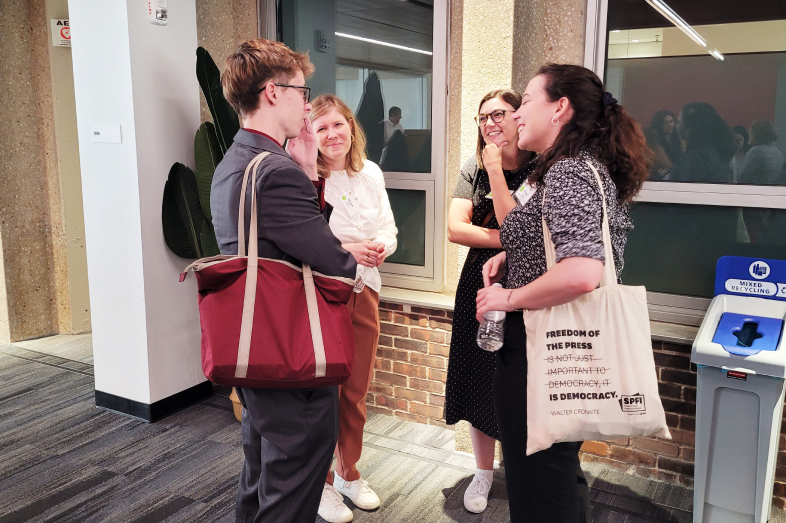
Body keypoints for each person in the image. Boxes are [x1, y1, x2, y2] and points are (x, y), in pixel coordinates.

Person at [476, 64, 649, 522]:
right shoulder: (558, 169)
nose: (516, 116)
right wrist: (512, 255)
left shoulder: (569, 171)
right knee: (553, 467)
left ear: (560, 109)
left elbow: (582, 271)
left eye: (527, 102)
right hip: (546, 338)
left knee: (540, 478)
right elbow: (550, 240)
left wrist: (506, 298)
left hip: (542, 343)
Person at [211, 39, 357, 523]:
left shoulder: (236, 160)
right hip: (292, 356)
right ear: (273, 92)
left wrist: (307, 170)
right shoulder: (275, 172)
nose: (306, 103)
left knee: (261, 474)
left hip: (257, 347)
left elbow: (278, 242)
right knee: (292, 486)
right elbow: (334, 262)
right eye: (301, 90)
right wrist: (309, 176)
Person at [309, 94, 398, 523]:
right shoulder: (308, 178)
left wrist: (381, 248)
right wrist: (351, 249)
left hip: (368, 289)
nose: (331, 135)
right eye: (321, 127)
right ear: (310, 134)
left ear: (351, 127)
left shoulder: (371, 173)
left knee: (357, 390)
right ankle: (321, 482)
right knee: (326, 391)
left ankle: (348, 471)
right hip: (326, 292)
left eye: (337, 125)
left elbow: (389, 228)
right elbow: (308, 244)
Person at [444, 89, 534, 514]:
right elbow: (454, 229)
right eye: (482, 118)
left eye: (498, 114)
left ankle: (521, 468)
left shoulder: (542, 166)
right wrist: (506, 238)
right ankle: (483, 472)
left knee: (521, 380)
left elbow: (535, 235)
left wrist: (498, 173)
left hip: (529, 285)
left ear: (520, 117)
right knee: (479, 374)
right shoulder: (473, 167)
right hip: (478, 284)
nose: (489, 124)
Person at [739, 120, 784, 242]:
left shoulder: (756, 152)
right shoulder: (777, 152)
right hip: (767, 202)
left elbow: (741, 177)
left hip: (752, 202)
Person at [668, 102, 734, 184]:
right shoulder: (712, 151)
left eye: (679, 122)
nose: (676, 126)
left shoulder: (696, 158)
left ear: (689, 129)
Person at [646, 110, 681, 179]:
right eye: (665, 123)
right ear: (660, 125)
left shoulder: (677, 138)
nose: (669, 125)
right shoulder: (656, 141)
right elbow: (667, 164)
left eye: (671, 121)